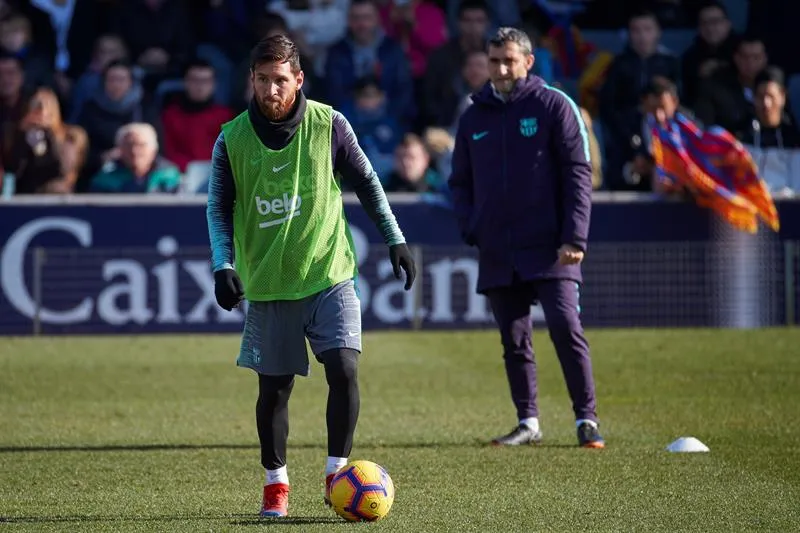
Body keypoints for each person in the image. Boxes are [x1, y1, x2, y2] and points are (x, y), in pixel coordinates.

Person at [206, 34, 416, 518]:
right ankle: (275, 484)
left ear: (298, 79)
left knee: (343, 368)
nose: (270, 90)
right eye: (262, 80)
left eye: (280, 80)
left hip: (329, 273)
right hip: (269, 284)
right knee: (274, 389)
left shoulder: (330, 125)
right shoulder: (230, 139)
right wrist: (223, 265)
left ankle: (336, 474)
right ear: (251, 81)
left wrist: (395, 238)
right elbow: (218, 208)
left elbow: (366, 181)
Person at [448, 27, 604, 449]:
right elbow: (459, 182)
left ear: (528, 62)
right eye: (494, 60)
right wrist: (472, 225)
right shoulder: (473, 116)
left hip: (552, 246)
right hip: (498, 247)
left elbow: (578, 175)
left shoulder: (554, 105)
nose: (500, 69)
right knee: (514, 340)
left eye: (509, 60)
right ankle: (528, 421)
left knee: (565, 328)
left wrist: (575, 236)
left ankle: (586, 419)